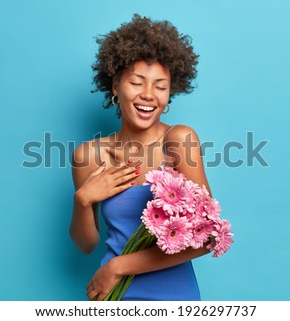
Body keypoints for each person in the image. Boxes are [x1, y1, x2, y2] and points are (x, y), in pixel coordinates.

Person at [70, 14, 213, 301]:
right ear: (115, 86)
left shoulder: (179, 140)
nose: (148, 95)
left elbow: (207, 236)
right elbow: (86, 245)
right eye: (137, 82)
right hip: (112, 297)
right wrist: (83, 201)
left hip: (172, 296)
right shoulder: (89, 155)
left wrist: (118, 266)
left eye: (160, 87)